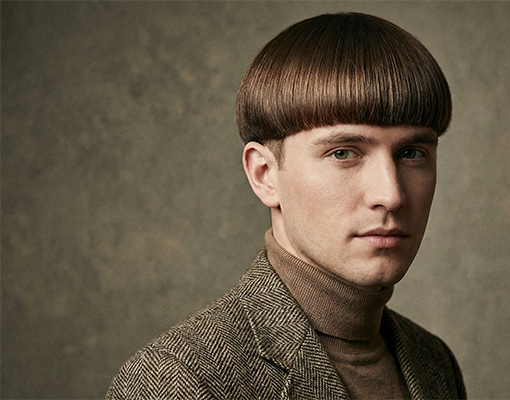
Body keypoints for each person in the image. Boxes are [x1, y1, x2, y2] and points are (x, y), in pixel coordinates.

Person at [106, 12, 466, 400]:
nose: (391, 195)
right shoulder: (181, 378)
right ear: (265, 175)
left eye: (411, 153)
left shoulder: (433, 361)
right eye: (343, 153)